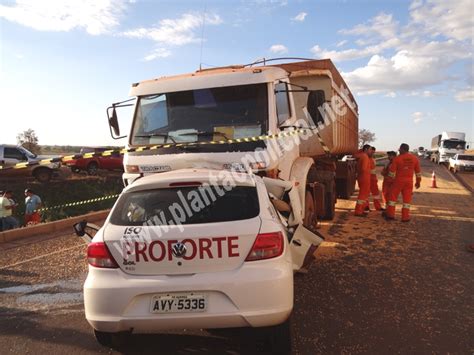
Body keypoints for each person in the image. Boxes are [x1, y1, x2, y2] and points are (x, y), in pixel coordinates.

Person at [384, 143, 421, 222]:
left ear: (402, 149)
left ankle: (390, 215)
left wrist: (390, 181)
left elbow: (391, 172)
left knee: (392, 199)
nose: (399, 150)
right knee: (407, 201)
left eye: (400, 149)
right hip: (409, 182)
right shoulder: (414, 159)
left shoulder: (397, 159)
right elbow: (418, 172)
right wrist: (418, 182)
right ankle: (405, 217)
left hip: (398, 181)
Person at [353, 144, 371, 216]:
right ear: (366, 149)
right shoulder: (365, 157)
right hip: (364, 178)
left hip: (363, 177)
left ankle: (363, 209)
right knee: (362, 195)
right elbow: (363, 169)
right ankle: (358, 211)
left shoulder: (362, 156)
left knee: (364, 194)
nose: (371, 151)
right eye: (370, 149)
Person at [367, 146, 383, 211]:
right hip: (367, 178)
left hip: (373, 179)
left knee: (376, 194)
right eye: (371, 152)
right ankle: (366, 207)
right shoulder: (365, 158)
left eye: (373, 152)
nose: (372, 153)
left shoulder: (372, 159)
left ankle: (378, 207)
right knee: (366, 194)